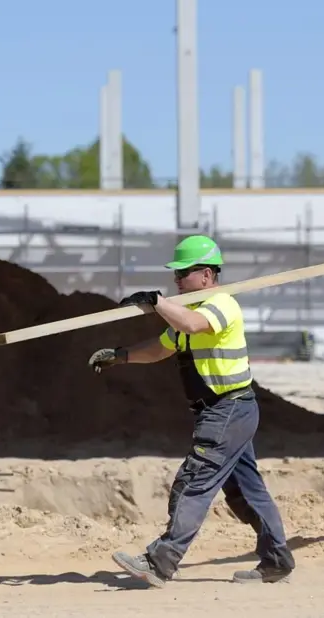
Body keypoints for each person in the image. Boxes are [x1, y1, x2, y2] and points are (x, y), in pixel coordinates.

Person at [88, 234, 296, 588]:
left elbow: (192, 325)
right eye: (175, 275)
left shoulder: (221, 304)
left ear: (205, 275)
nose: (177, 280)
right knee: (246, 491)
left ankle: (159, 562)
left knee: (193, 482)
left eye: (183, 274)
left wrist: (157, 302)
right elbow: (161, 347)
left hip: (228, 409)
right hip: (229, 412)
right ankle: (276, 559)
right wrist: (121, 355)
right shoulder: (192, 311)